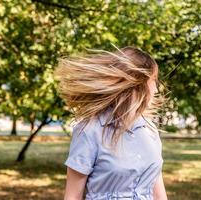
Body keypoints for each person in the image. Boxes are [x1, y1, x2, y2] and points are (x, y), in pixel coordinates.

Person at [54, 45, 168, 200]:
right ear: (135, 85)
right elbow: (72, 197)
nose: (156, 89)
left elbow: (158, 190)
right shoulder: (89, 131)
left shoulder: (150, 130)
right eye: (153, 81)